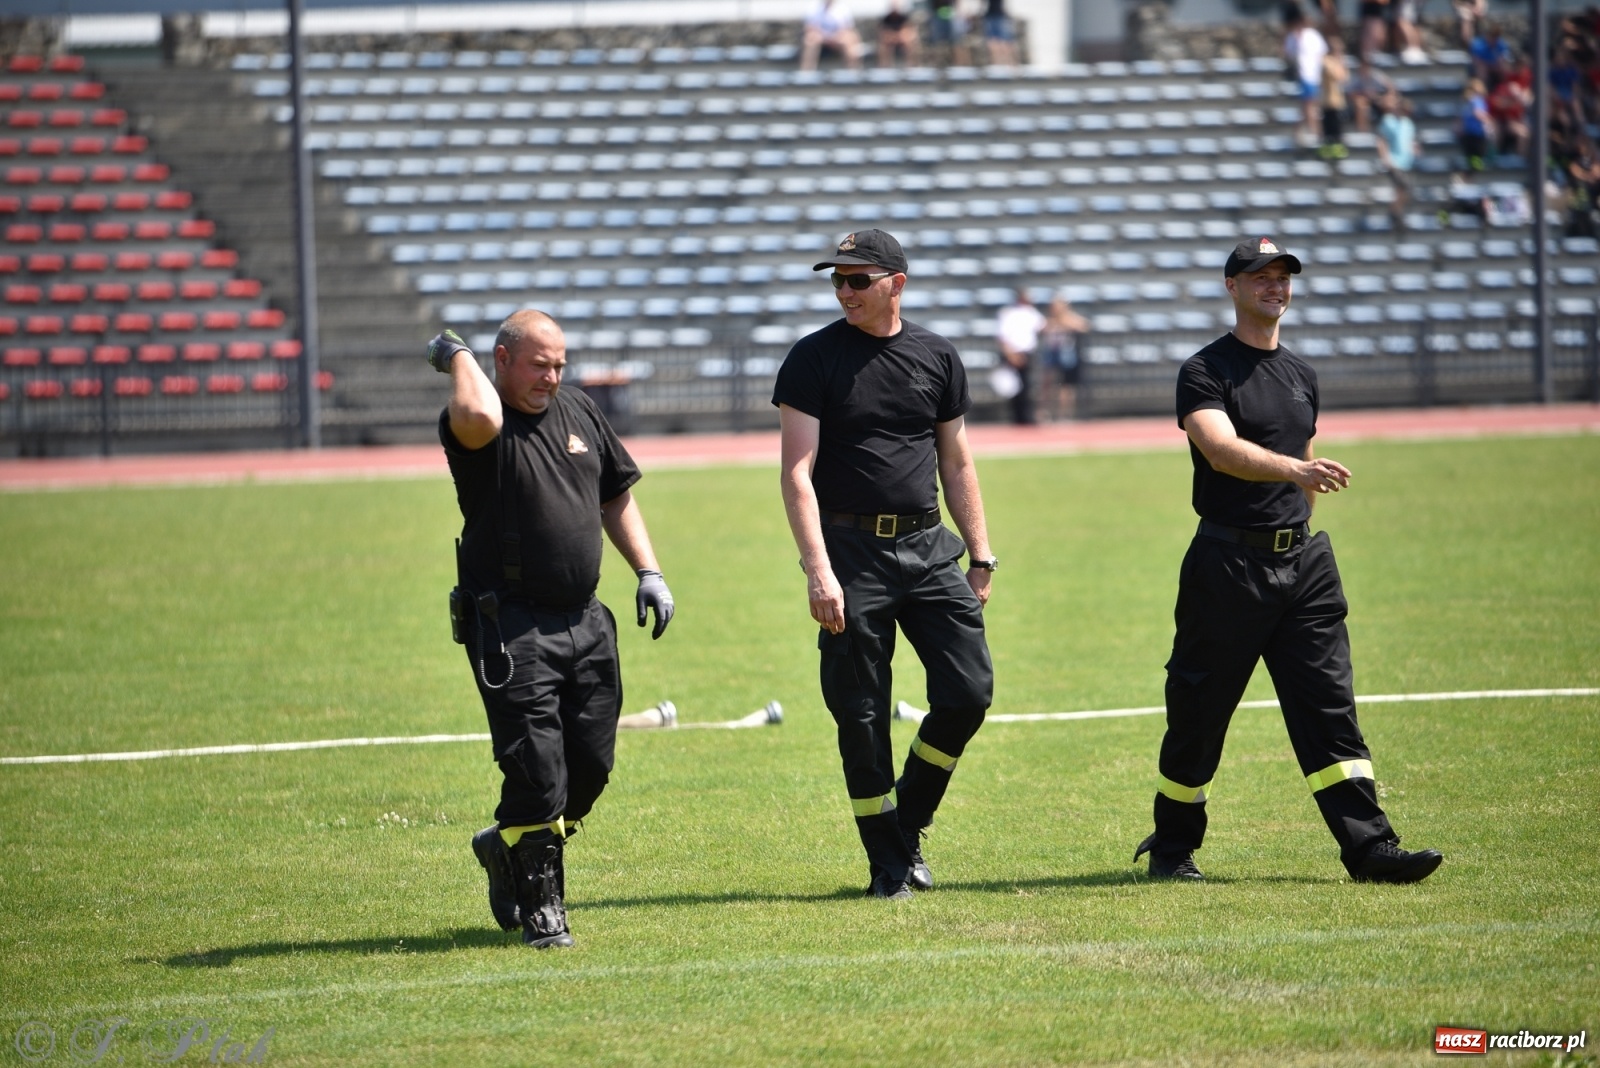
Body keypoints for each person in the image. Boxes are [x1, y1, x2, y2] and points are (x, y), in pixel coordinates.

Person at [1132, 236, 1443, 886]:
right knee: (1198, 713)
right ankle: (1172, 847)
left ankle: (1370, 849)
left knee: (1331, 707)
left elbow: (1304, 474)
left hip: (1303, 566)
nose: (1275, 287)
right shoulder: (1204, 370)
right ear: (1233, 287)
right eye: (1261, 277)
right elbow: (1220, 449)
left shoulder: (1302, 374)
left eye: (1283, 277)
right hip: (1227, 566)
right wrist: (1295, 469)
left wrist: (1298, 511)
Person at [427, 312, 676, 948]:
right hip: (509, 623)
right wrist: (457, 353)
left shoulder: (581, 412)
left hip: (586, 619)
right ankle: (543, 912)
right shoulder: (479, 426)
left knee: (588, 767)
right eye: (539, 365)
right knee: (537, 770)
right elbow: (480, 414)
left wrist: (648, 570)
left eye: (561, 364)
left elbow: (615, 494)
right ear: (501, 360)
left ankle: (503, 844)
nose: (553, 377)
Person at [773, 229, 997, 901]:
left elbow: (956, 461)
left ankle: (909, 821)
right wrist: (818, 570)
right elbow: (796, 473)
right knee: (863, 713)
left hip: (930, 550)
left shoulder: (937, 355)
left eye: (857, 279)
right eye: (836, 281)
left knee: (968, 693)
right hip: (851, 556)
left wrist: (979, 552)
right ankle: (887, 863)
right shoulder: (812, 359)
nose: (844, 292)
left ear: (896, 282)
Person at [996, 288, 1046, 425]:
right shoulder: (1008, 313)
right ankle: (1018, 418)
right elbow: (1003, 336)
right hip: (1013, 354)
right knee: (1014, 389)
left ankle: (1028, 417)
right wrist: (1011, 354)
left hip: (1028, 354)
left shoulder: (1033, 313)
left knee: (1028, 387)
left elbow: (1044, 327)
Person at [1283, 3, 1328, 148]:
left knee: (1308, 107)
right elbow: (1288, 54)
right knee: (1308, 105)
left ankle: (1299, 133)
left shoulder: (1313, 35)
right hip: (1304, 75)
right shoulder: (1292, 37)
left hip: (1315, 75)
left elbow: (1322, 53)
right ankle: (1315, 133)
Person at [1040, 295, 1089, 421]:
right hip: (1052, 352)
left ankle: (1065, 414)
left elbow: (1084, 325)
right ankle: (1046, 412)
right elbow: (1042, 328)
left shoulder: (1069, 318)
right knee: (1048, 383)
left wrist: (1065, 321)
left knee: (1066, 386)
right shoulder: (1050, 320)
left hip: (1066, 353)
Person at [1375, 91, 1420, 228]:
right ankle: (1394, 212)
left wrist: (1415, 149)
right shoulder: (1388, 121)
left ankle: (1396, 213)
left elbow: (1410, 140)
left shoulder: (1408, 123)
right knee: (1404, 186)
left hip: (1406, 161)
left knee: (1404, 189)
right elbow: (1381, 141)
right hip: (1394, 161)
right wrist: (1385, 158)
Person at [801, 0, 864, 71]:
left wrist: (834, 38)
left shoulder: (843, 8)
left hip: (837, 40)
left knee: (850, 39)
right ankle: (807, 72)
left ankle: (854, 70)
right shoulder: (813, 8)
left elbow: (846, 29)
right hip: (820, 40)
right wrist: (825, 38)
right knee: (810, 39)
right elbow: (810, 28)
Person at [1319, 35, 1350, 159]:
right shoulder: (1326, 60)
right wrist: (1340, 63)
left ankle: (1337, 149)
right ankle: (1328, 149)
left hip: (1337, 100)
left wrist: (1340, 62)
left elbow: (1345, 78)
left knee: (1337, 127)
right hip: (1328, 100)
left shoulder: (1337, 62)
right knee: (1329, 127)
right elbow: (1337, 75)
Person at [1346, 54, 1394, 132]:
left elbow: (1391, 87)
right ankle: (1363, 132)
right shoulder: (1356, 77)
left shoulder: (1376, 75)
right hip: (1363, 101)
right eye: (1363, 65)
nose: (1365, 68)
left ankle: (1390, 130)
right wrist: (1362, 94)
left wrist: (1384, 97)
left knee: (1389, 103)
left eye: (1367, 65)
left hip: (1377, 99)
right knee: (1360, 105)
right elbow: (1349, 93)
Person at [877, 0, 921, 67]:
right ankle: (885, 67)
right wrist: (893, 37)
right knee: (883, 46)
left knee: (909, 43)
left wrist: (900, 36)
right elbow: (883, 32)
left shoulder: (904, 17)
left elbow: (908, 30)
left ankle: (911, 66)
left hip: (902, 39)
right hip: (890, 40)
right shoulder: (886, 19)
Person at [982, 0, 1017, 68]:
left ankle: (1009, 65)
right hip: (991, 16)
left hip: (998, 16)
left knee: (1004, 44)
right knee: (994, 44)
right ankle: (998, 66)